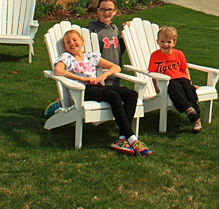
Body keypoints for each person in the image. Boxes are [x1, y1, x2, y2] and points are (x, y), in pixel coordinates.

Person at [53, 28, 151, 157]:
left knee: (131, 94)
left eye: (74, 40)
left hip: (98, 86)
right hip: (83, 90)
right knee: (113, 96)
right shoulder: (67, 57)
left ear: (82, 42)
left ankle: (122, 138)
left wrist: (103, 76)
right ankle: (132, 139)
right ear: (65, 47)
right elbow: (58, 71)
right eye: (68, 42)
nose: (72, 43)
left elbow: (116, 67)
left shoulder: (91, 57)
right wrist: (82, 79)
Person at [148, 26, 202, 133]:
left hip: (181, 78)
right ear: (157, 42)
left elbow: (184, 69)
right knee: (173, 86)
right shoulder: (155, 56)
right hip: (167, 82)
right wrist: (156, 88)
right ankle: (190, 111)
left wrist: (190, 83)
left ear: (174, 42)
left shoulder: (179, 54)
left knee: (189, 90)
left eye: (169, 42)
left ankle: (195, 117)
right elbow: (152, 74)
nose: (165, 44)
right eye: (162, 41)